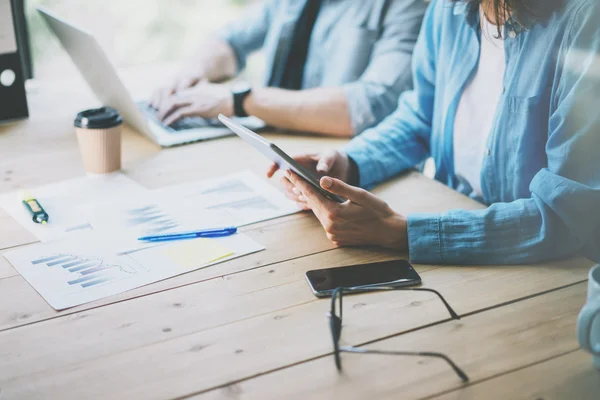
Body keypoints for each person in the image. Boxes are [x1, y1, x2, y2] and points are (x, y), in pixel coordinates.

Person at [268, 0, 600, 265]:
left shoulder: (587, 21)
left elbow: (565, 215)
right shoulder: (449, 10)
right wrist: (348, 162)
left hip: (552, 270)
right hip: (457, 237)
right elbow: (420, 117)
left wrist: (402, 233)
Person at [150, 0, 428, 137]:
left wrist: (238, 100)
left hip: (345, 165)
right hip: (273, 144)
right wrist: (190, 75)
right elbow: (232, 40)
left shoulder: (408, 5)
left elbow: (371, 106)